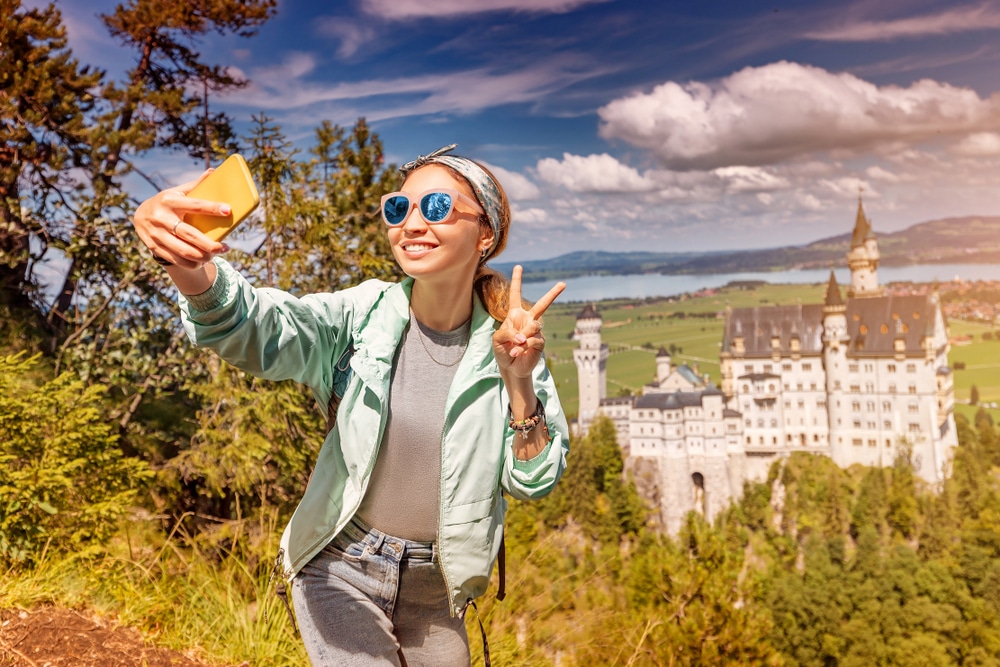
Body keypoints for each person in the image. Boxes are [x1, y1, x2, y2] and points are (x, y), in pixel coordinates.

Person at [132, 144, 570, 666]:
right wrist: (188, 262)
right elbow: (259, 328)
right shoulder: (361, 317)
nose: (411, 223)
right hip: (340, 566)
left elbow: (534, 480)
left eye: (435, 207)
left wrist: (520, 383)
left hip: (440, 593)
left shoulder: (512, 347)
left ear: (485, 235)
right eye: (397, 208)